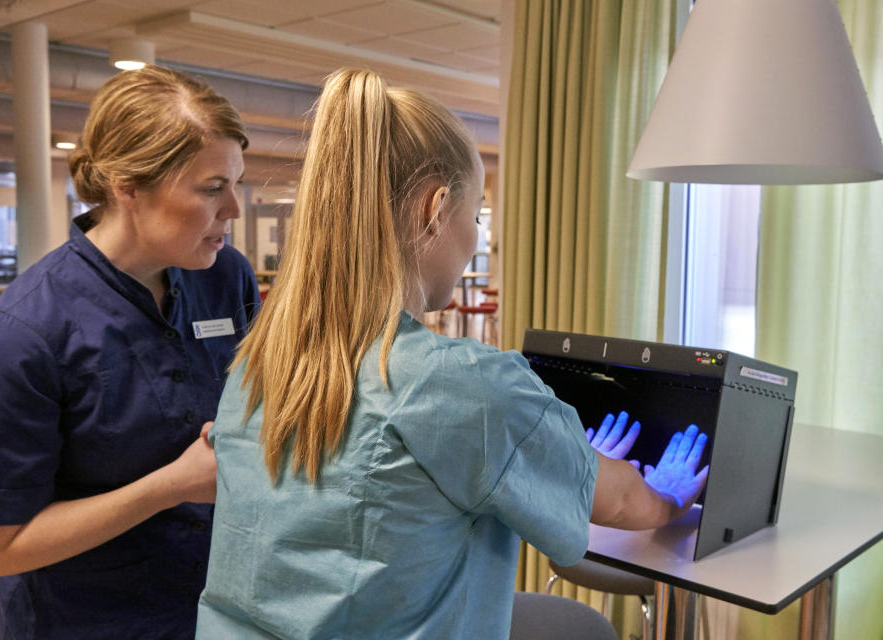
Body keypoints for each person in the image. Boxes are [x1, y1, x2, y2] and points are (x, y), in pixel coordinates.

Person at [196, 69, 708, 639]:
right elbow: (620, 504)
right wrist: (666, 497)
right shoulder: (461, 382)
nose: (475, 236)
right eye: (477, 216)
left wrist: (556, 456)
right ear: (436, 209)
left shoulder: (257, 363)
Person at [0, 65, 261, 639]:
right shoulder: (22, 335)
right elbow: (0, 547)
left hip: (214, 608)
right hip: (87, 621)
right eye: (212, 188)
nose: (234, 211)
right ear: (128, 188)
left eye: (236, 183)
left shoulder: (224, 278)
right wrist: (170, 486)